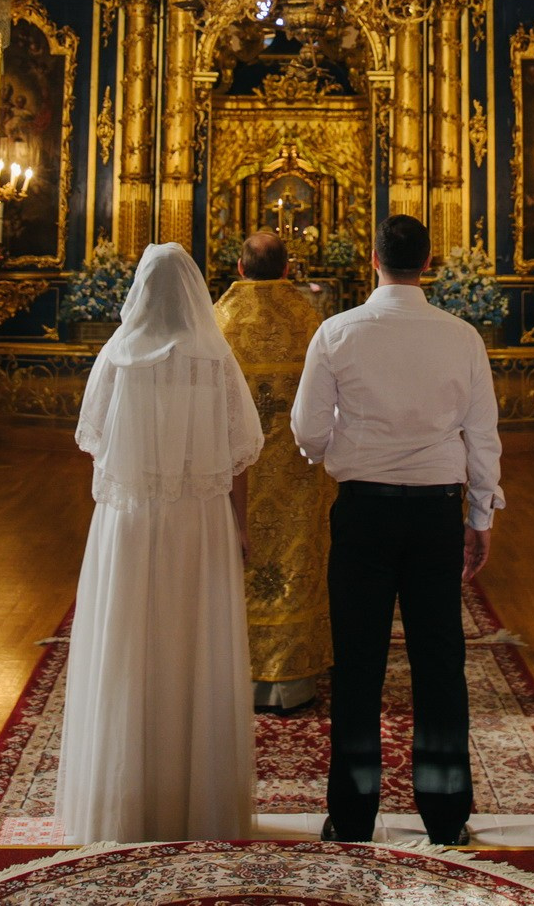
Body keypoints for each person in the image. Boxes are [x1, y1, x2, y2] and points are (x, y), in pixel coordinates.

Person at [290, 214, 504, 846]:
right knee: (440, 662)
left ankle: (353, 817)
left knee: (357, 663)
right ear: (428, 261)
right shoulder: (462, 337)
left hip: (363, 511)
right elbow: (482, 435)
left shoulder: (337, 332)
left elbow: (307, 430)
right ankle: (445, 816)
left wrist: (332, 454)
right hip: (438, 511)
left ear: (373, 259)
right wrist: (481, 515)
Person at [55, 242, 264, 844]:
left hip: (131, 521)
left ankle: (125, 802)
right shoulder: (213, 360)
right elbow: (239, 453)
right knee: (192, 643)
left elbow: (93, 442)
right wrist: (240, 524)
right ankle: (197, 804)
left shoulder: (116, 357)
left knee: (129, 643)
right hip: (199, 521)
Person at [215, 229, 331, 710]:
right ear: (288, 269)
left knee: (236, 560)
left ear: (240, 269)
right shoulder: (312, 320)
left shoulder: (215, 321)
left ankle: (232, 667)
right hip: (298, 471)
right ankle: (294, 679)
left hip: (233, 469)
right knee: (295, 558)